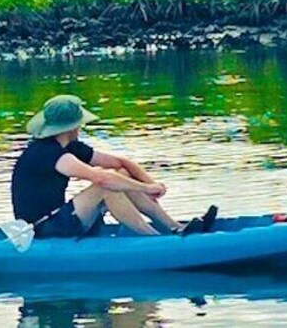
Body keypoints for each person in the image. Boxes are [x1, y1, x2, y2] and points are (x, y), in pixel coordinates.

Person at [11, 94, 217, 238]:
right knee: (106, 187)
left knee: (121, 174)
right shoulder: (48, 153)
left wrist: (151, 184)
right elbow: (101, 179)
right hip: (42, 229)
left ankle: (175, 228)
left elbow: (121, 163)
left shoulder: (70, 147)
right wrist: (144, 189)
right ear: (73, 126)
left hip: (63, 219)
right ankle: (154, 240)